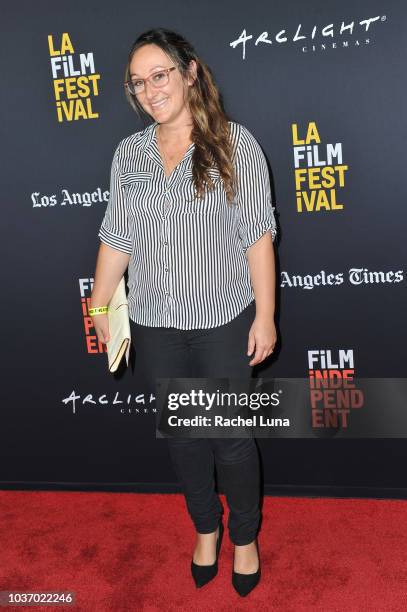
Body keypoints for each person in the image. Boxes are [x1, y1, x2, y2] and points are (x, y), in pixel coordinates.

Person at [90, 27, 277, 597]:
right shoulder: (130, 153)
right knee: (185, 439)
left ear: (190, 72)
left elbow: (258, 240)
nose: (150, 90)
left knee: (229, 439)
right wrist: (100, 306)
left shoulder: (234, 144)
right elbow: (116, 237)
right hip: (155, 322)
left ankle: (244, 536)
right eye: (138, 82)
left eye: (160, 74)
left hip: (222, 320)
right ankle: (205, 529)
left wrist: (265, 316)